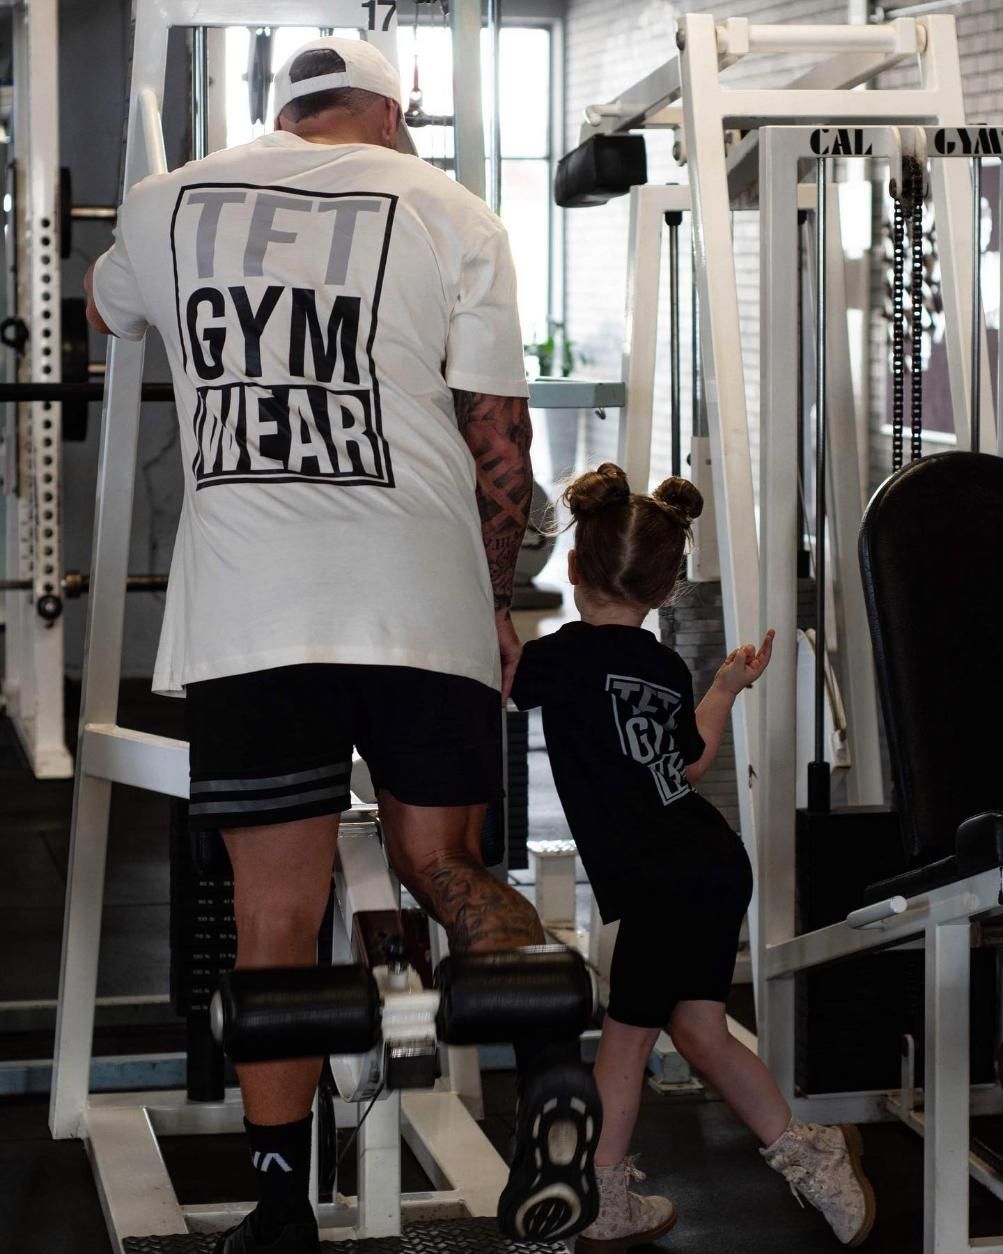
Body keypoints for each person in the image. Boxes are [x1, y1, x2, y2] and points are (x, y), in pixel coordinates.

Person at [84, 36, 600, 1254]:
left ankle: (275, 1204)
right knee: (442, 862)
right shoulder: (452, 209)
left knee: (274, 907)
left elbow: (109, 310)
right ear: (388, 109)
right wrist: (490, 602)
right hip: (417, 593)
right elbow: (498, 443)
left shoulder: (167, 202)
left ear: (286, 108)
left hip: (253, 611)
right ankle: (546, 1064)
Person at [511, 463, 877, 1252]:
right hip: (704, 862)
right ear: (666, 588)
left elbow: (490, 663)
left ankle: (604, 1197)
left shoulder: (558, 660)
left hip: (661, 878)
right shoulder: (662, 667)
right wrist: (725, 687)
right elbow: (683, 765)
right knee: (699, 1032)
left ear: (572, 568)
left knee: (627, 1038)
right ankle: (809, 1152)